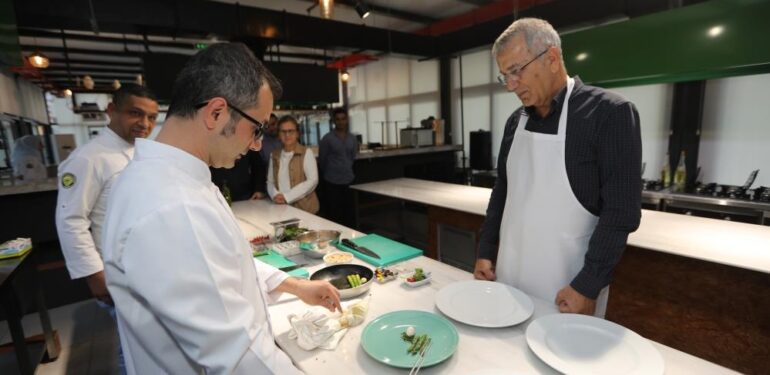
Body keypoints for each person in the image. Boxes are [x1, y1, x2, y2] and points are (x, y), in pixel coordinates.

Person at [101, 43, 341, 375]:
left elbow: (223, 265)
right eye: (257, 127)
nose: (258, 143)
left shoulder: (176, 179)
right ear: (216, 112)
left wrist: (295, 286)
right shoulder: (172, 205)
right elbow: (238, 356)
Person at [474, 18, 641, 318]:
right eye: (504, 77)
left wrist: (588, 285)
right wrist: (486, 249)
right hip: (509, 279)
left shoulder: (609, 114)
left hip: (567, 292)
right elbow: (503, 189)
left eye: (516, 71)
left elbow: (621, 212)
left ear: (551, 58)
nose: (511, 85)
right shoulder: (516, 121)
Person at [56, 83, 158, 304]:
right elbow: (71, 220)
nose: (145, 124)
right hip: (115, 269)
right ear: (112, 111)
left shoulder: (140, 152)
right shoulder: (88, 158)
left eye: (152, 117)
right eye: (135, 113)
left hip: (145, 264)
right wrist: (95, 275)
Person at [267, 115, 319, 213]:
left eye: (291, 131)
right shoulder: (274, 155)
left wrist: (287, 197)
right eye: (283, 131)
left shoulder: (306, 152)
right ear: (279, 134)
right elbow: (270, 181)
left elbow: (313, 180)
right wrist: (275, 195)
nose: (287, 135)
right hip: (281, 208)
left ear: (297, 133)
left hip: (305, 209)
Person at [318, 107, 358, 226]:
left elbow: (352, 156)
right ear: (334, 121)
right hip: (332, 181)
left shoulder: (352, 138)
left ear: (347, 120)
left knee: (349, 212)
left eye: (343, 119)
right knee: (335, 214)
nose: (341, 121)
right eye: (338, 119)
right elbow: (322, 160)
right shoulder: (327, 139)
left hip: (348, 180)